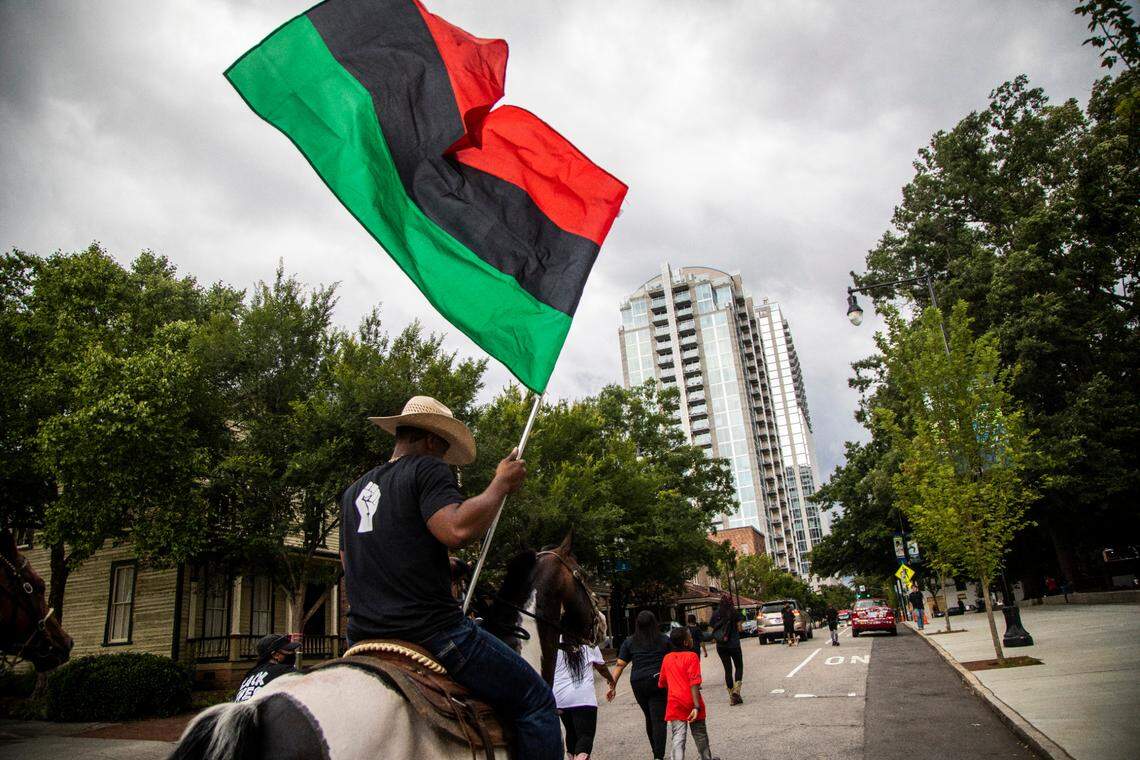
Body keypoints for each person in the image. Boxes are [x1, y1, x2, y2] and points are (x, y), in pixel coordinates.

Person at [339, 396, 560, 760]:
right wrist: (499, 485)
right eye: (442, 449)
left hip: (362, 636)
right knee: (536, 700)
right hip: (431, 632)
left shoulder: (353, 492)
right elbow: (455, 528)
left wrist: (441, 565)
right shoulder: (426, 469)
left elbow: (351, 565)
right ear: (430, 440)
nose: (442, 458)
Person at [607, 611, 670, 760]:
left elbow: (619, 665)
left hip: (638, 683)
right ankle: (658, 756)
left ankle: (656, 753)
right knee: (659, 720)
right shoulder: (664, 640)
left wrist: (612, 686)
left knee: (649, 717)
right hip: (658, 682)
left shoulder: (630, 641)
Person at [659, 627, 720, 760]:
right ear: (686, 643)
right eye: (690, 637)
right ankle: (705, 757)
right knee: (700, 734)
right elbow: (694, 682)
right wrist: (696, 706)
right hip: (692, 701)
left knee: (678, 736)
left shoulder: (667, 658)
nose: (692, 639)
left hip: (675, 702)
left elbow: (662, 682)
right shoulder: (692, 656)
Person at [553, 643, 614, 760]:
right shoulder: (588, 643)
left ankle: (572, 756)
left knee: (571, 732)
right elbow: (601, 666)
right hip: (583, 698)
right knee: (585, 735)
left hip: (560, 697)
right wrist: (611, 680)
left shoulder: (556, 640)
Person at [234, 633, 300, 702]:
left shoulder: (250, 674)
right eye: (289, 650)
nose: (293, 653)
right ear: (275, 655)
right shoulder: (283, 670)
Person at [708, 594, 743, 705]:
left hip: (721, 645)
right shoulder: (734, 612)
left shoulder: (716, 613)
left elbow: (711, 629)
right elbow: (740, 628)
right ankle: (737, 691)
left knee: (727, 670)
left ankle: (731, 696)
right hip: (734, 644)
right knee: (738, 666)